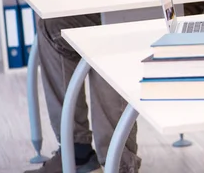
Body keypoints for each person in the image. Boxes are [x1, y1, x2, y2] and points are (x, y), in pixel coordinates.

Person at [26, 15, 140, 173]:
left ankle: (120, 167)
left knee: (106, 36)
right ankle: (77, 152)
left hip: (169, 8)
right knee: (52, 27)